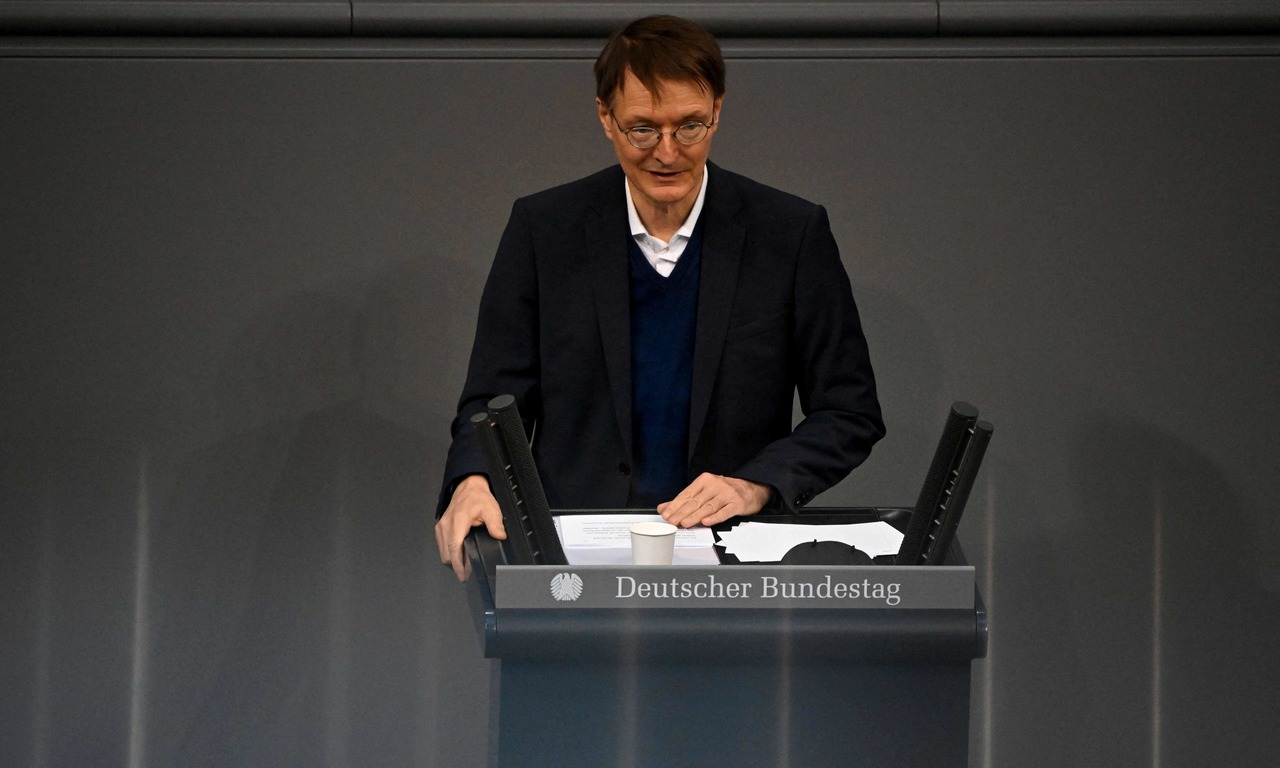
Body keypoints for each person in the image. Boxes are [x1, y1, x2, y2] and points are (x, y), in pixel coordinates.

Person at [435, 15, 884, 580]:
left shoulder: (790, 234)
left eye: (689, 127)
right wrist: (473, 479)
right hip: (574, 560)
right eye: (643, 130)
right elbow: (492, 399)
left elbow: (849, 411)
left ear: (718, 110)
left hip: (733, 559)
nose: (667, 153)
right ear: (606, 118)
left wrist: (756, 484)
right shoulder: (543, 230)